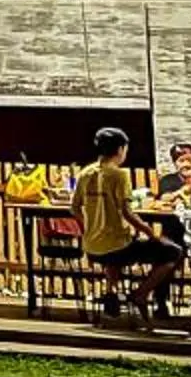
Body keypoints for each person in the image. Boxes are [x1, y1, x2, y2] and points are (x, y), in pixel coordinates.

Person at [74, 126, 180, 317]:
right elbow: (128, 213)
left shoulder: (85, 173)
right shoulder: (119, 175)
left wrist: (89, 227)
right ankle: (140, 294)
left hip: (92, 246)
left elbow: (74, 208)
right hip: (117, 246)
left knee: (118, 247)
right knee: (172, 252)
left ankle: (111, 293)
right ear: (121, 149)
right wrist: (152, 233)